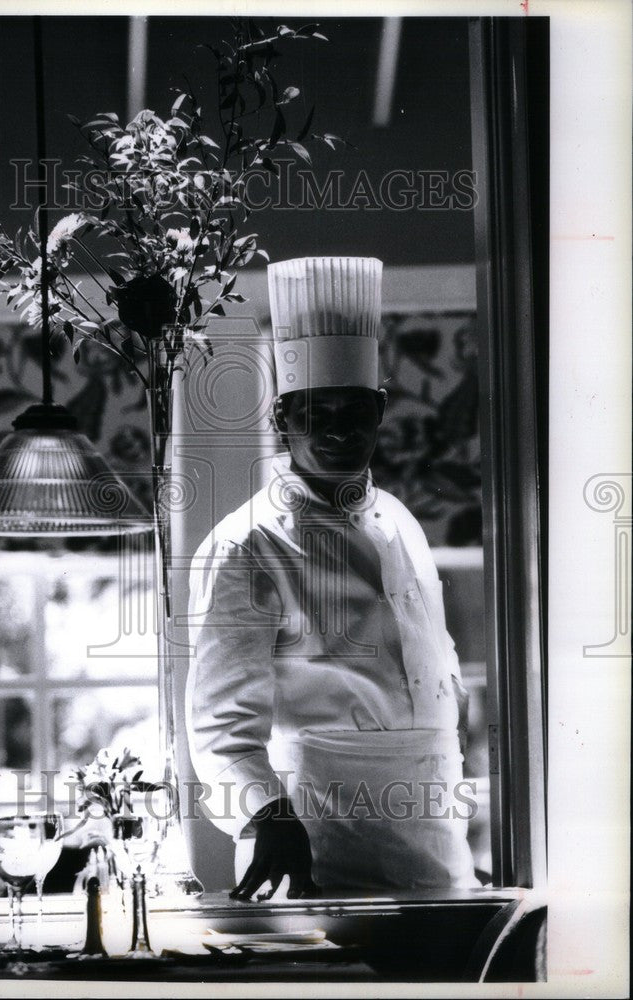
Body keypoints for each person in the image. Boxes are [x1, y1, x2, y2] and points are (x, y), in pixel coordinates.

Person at [186, 257, 476, 899]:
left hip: (437, 837)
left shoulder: (400, 519)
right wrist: (267, 813)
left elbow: (434, 668)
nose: (341, 431)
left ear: (380, 411)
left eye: (357, 411)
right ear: (282, 421)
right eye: (318, 414)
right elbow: (216, 727)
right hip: (316, 839)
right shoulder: (249, 544)